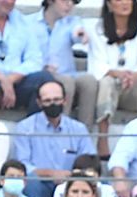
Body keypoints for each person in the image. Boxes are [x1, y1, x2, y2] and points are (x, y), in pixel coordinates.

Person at [88, 0, 137, 157]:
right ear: (109, 5)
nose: (125, 3)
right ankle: (103, 140)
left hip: (133, 87)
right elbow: (98, 64)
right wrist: (119, 74)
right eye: (119, 0)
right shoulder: (98, 30)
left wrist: (134, 76)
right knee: (107, 82)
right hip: (111, 87)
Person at [12, 80, 96, 197]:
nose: (53, 104)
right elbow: (23, 166)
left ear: (65, 100)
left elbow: (89, 161)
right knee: (30, 182)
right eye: (47, 101)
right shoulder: (25, 128)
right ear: (39, 103)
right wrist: (51, 174)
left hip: (71, 183)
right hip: (41, 183)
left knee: (102, 183)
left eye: (57, 99)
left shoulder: (78, 129)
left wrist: (71, 176)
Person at [29, 0, 97, 128]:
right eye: (65, 1)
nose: (70, 5)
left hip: (67, 72)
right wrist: (42, 67)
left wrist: (81, 35)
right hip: (39, 73)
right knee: (66, 83)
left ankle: (84, 133)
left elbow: (76, 32)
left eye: (73, 1)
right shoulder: (28, 23)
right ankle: (60, 130)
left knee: (89, 81)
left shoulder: (73, 21)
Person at [51, 153, 129, 197]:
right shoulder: (61, 189)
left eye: (85, 192)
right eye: (74, 191)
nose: (79, 196)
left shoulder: (107, 190)